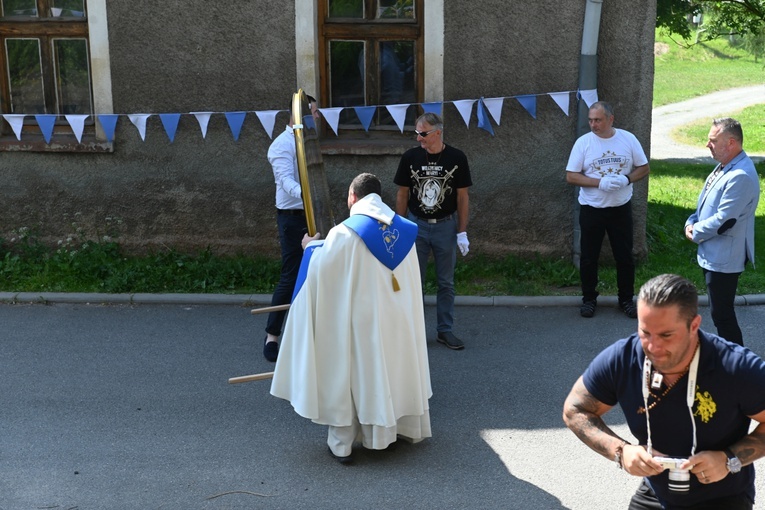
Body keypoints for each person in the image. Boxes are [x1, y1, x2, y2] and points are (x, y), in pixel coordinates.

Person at [563, 273, 765, 510]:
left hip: (723, 496)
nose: (653, 347)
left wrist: (729, 459)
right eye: (645, 333)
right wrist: (621, 451)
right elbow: (575, 410)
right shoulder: (622, 359)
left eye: (666, 335)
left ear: (694, 325)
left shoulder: (736, 367)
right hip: (656, 492)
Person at [270, 173, 432, 464]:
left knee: (349, 374)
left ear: (352, 197)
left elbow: (323, 272)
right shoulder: (406, 231)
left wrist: (309, 249)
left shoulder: (345, 233)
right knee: (391, 370)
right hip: (396, 321)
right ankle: (386, 436)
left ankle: (342, 444)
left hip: (360, 324)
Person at [394, 112, 472, 350]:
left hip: (445, 227)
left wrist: (462, 231)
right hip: (415, 225)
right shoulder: (410, 158)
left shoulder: (457, 158)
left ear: (438, 132)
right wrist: (399, 225)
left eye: (423, 133)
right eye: (417, 133)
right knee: (413, 282)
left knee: (446, 283)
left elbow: (462, 196)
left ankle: (444, 331)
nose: (419, 138)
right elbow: (402, 194)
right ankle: (413, 332)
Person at [566, 101, 650, 319]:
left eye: (598, 120)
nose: (593, 125)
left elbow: (644, 168)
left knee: (624, 256)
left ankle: (626, 299)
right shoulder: (583, 143)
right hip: (592, 208)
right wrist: (598, 183)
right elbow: (571, 176)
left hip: (620, 209)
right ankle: (589, 299)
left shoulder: (628, 139)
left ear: (610, 119)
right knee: (588, 257)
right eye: (591, 120)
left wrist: (626, 179)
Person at [684, 118, 759, 347]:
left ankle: (738, 365)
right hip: (714, 252)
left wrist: (695, 231)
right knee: (720, 313)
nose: (708, 144)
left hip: (725, 257)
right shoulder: (726, 165)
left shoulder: (741, 175)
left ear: (731, 143)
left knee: (722, 315)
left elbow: (724, 220)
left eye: (713, 140)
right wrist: (691, 220)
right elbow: (707, 203)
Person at [262, 95, 318, 362]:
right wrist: (308, 195)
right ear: (298, 116)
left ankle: (310, 335)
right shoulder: (281, 146)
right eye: (313, 113)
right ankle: (272, 335)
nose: (316, 117)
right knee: (291, 275)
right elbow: (285, 181)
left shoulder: (309, 142)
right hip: (293, 217)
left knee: (317, 272)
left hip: (312, 214)